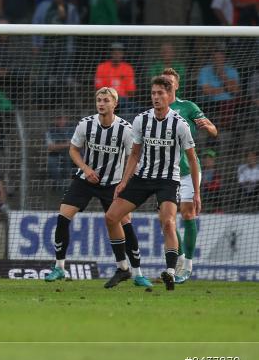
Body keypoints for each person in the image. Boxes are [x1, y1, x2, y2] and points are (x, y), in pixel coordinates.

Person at [43, 88, 150, 288]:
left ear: (114, 104)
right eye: (99, 100)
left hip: (113, 184)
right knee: (63, 216)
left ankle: (136, 273)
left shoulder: (125, 130)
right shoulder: (86, 124)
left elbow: (133, 158)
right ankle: (59, 267)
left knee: (125, 223)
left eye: (106, 100)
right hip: (86, 179)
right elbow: (73, 150)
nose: (101, 103)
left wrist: (124, 182)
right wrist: (85, 168)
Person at [105, 76, 200, 291]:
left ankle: (170, 271)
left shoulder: (180, 124)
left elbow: (193, 160)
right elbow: (135, 154)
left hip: (168, 180)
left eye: (160, 93)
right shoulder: (141, 120)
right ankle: (122, 266)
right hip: (143, 178)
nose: (156, 97)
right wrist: (123, 181)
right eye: (153, 93)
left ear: (169, 95)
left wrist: (196, 192)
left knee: (168, 222)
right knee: (111, 217)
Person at [161, 67, 218, 283]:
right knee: (166, 220)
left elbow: (214, 130)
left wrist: (208, 127)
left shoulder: (188, 107)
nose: (166, 84)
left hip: (187, 171)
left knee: (187, 213)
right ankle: (180, 259)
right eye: (163, 81)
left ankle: (187, 266)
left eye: (170, 81)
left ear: (177, 85)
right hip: (165, 173)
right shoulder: (157, 109)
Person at [94, 42, 136, 117]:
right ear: (110, 53)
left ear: (123, 54)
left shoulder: (128, 68)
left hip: (123, 102)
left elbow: (131, 92)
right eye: (114, 52)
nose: (117, 54)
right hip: (106, 99)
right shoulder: (102, 67)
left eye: (119, 52)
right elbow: (98, 89)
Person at [45, 114, 76, 183]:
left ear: (66, 119)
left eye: (62, 119)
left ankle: (67, 183)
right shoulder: (50, 131)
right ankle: (57, 184)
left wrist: (58, 145)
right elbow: (50, 147)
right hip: (55, 154)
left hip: (70, 154)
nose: (60, 121)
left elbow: (76, 144)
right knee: (51, 161)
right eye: (58, 119)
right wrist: (66, 144)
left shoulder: (72, 130)